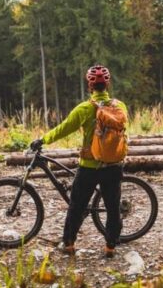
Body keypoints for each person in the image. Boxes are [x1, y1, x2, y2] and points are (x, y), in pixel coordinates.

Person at [30, 64, 127, 258]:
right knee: (113, 207)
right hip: (114, 166)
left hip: (89, 167)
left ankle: (69, 244)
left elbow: (63, 128)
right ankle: (110, 246)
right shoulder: (120, 107)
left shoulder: (84, 109)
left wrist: (43, 140)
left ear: (90, 87)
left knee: (77, 205)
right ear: (107, 85)